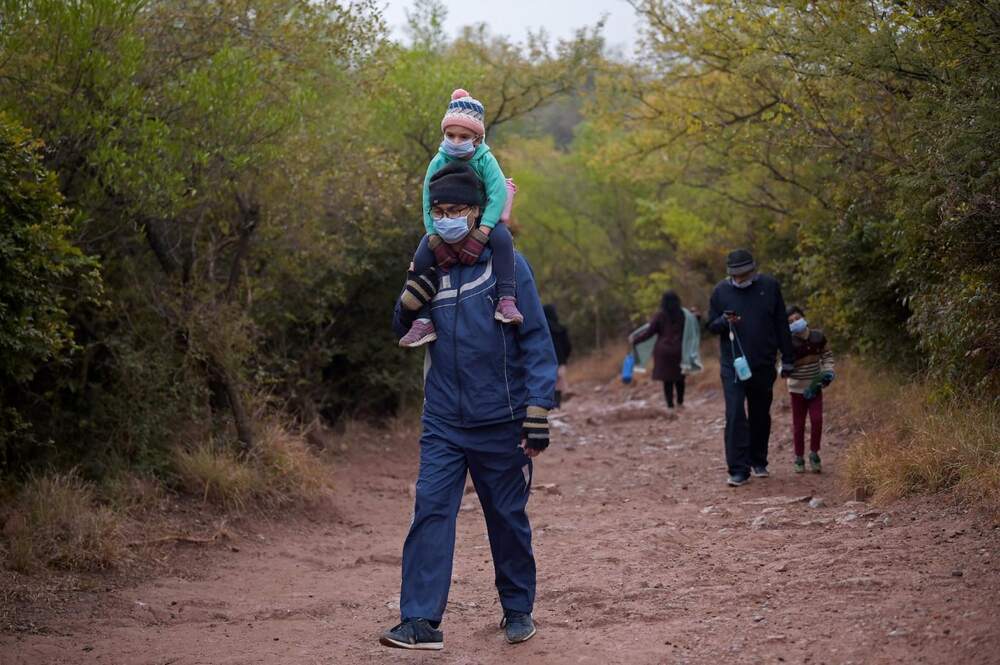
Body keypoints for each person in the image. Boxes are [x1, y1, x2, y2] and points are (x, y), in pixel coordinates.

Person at [382, 162, 557, 651]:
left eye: (456, 209)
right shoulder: (430, 263)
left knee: (506, 516)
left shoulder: (507, 266)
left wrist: (539, 408)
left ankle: (518, 608)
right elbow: (402, 331)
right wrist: (408, 302)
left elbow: (537, 340)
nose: (447, 218)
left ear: (478, 211)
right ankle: (420, 621)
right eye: (438, 210)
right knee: (431, 511)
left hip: (501, 418)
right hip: (443, 420)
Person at [398, 88, 520, 348]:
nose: (455, 141)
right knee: (421, 258)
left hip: (481, 219)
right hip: (443, 220)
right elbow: (426, 200)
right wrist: (433, 237)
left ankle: (506, 299)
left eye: (463, 136)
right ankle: (422, 319)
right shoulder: (438, 160)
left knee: (503, 240)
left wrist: (483, 231)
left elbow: (497, 194)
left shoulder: (485, 159)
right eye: (450, 135)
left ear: (477, 137)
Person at [706, 249, 794, 487]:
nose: (741, 278)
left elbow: (781, 324)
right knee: (734, 413)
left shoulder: (770, 286)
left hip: (763, 361)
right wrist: (724, 321)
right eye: (736, 275)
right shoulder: (720, 291)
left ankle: (758, 460)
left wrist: (788, 358)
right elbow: (711, 326)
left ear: (753, 269)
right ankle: (738, 469)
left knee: (760, 414)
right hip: (732, 364)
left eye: (744, 273)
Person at [629, 291, 702, 409]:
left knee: (667, 380)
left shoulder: (660, 315)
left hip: (663, 352)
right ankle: (680, 402)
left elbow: (649, 332)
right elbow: (694, 325)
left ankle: (670, 405)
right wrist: (697, 316)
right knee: (680, 378)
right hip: (679, 351)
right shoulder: (684, 314)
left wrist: (636, 340)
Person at [786, 305, 835, 473]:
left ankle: (814, 454)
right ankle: (799, 458)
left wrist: (828, 372)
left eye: (797, 318)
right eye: (791, 321)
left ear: (804, 318)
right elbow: (782, 363)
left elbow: (827, 355)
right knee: (798, 425)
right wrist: (784, 369)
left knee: (817, 420)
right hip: (796, 389)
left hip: (814, 386)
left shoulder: (818, 337)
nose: (795, 322)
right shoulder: (788, 342)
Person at [543, 304, 572, 408]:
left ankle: (553, 405)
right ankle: (557, 404)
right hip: (561, 360)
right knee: (559, 382)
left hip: (547, 360)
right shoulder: (561, 329)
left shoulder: (542, 330)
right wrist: (565, 357)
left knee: (551, 383)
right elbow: (568, 346)